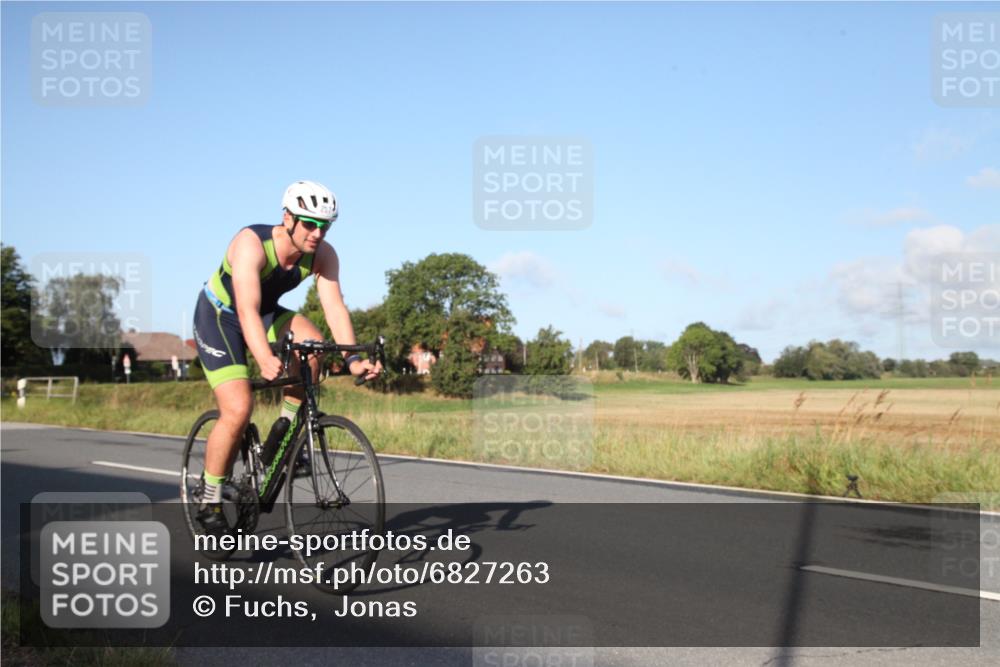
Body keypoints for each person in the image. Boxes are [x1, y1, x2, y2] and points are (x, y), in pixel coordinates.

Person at [191, 180, 381, 535]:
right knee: (238, 408)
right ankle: (209, 496)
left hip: (264, 314)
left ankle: (284, 433)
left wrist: (353, 361)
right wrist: (264, 357)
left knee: (313, 347)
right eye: (310, 224)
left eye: (325, 226)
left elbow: (334, 308)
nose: (317, 233)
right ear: (288, 218)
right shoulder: (251, 244)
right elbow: (245, 310)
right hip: (221, 316)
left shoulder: (324, 255)